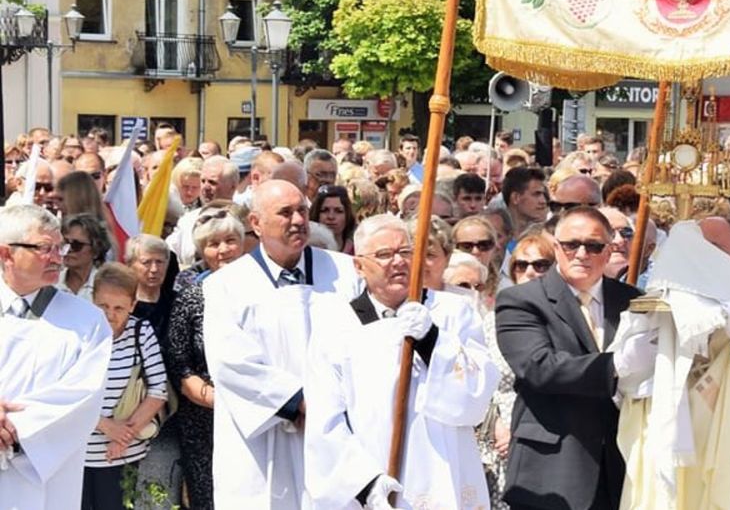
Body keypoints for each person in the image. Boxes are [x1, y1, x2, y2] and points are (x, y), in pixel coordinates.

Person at [305, 214, 500, 508]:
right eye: (384, 254)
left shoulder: (453, 312)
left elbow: (477, 395)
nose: (398, 262)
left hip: (444, 472)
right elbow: (326, 419)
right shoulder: (335, 325)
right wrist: (365, 482)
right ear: (358, 265)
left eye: (406, 252)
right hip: (373, 477)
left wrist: (433, 340)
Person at [202, 180, 361, 509]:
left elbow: (363, 343)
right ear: (256, 223)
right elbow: (231, 364)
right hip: (264, 440)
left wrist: (333, 406)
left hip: (338, 430)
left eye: (302, 210)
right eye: (285, 213)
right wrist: (299, 403)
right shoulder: (225, 285)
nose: (299, 220)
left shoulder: (345, 273)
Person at [496, 207, 646, 509]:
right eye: (571, 245)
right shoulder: (521, 300)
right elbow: (539, 367)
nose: (582, 254)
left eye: (593, 246)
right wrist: (615, 366)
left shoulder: (633, 301)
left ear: (609, 250)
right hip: (551, 469)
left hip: (622, 467)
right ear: (555, 248)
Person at [0, 205, 112, 510]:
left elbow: (84, 396)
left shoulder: (87, 321)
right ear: (6, 254)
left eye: (58, 247)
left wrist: (14, 432)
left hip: (47, 474)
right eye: (43, 248)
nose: (56, 257)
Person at [166, 208, 246, 510]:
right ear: (202, 250)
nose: (223, 250)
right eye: (214, 243)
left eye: (230, 240)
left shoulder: (265, 291)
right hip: (204, 419)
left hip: (259, 414)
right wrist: (221, 402)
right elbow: (179, 362)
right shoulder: (191, 296)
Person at [84, 263, 170, 510]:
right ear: (93, 299)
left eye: (119, 307)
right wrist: (104, 425)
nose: (110, 314)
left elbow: (158, 390)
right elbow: (65, 392)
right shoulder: (79, 331)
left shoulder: (141, 332)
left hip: (123, 454)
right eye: (103, 306)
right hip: (77, 453)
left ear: (133, 305)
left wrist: (123, 437)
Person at [126, 234, 176, 345]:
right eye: (146, 262)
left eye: (159, 262)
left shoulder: (179, 303)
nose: (154, 269)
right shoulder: (121, 305)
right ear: (130, 265)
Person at [57, 213, 112, 301]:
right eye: (65, 243)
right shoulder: (50, 282)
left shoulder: (107, 287)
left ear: (96, 251)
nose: (68, 249)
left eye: (76, 245)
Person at [452, 216, 504, 294]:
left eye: (483, 245)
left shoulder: (506, 289)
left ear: (495, 248)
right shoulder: (443, 286)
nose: (475, 252)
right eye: (466, 246)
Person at [501, 167, 549, 238]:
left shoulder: (549, 239)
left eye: (543, 194)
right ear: (516, 198)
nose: (543, 201)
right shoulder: (494, 242)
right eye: (536, 194)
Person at [311, 184, 356, 254]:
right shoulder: (305, 250)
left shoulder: (356, 251)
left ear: (347, 215)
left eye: (338, 211)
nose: (331, 217)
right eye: (325, 210)